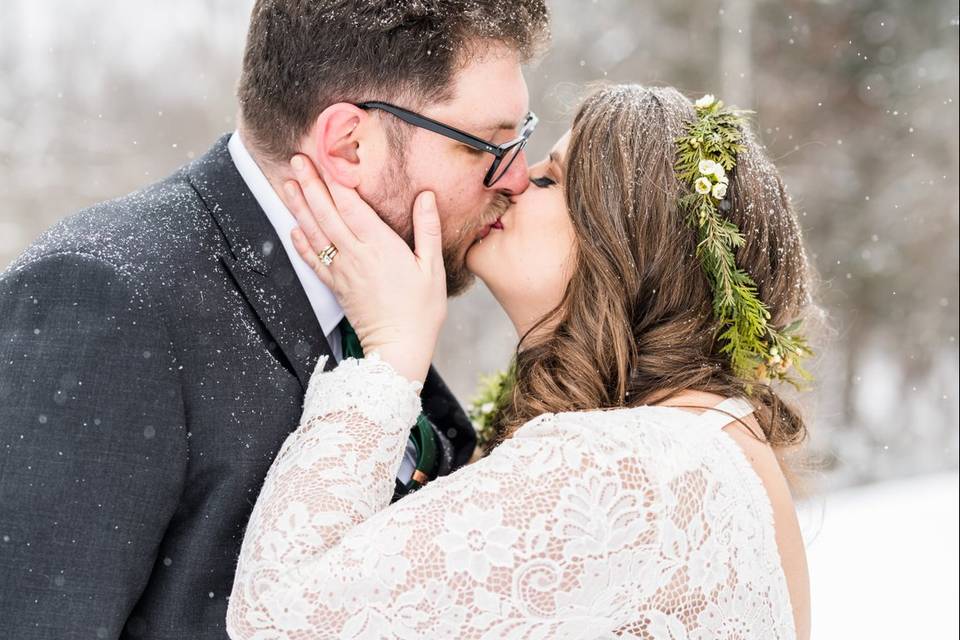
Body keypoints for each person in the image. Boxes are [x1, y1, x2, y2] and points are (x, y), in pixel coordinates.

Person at [0, 2, 550, 638]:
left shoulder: (381, 304)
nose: (515, 177)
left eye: (522, 138)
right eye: (489, 144)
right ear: (349, 145)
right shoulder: (106, 299)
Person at [226, 85, 814, 639]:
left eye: (552, 180)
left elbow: (279, 617)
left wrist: (389, 354)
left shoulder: (634, 466)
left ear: (631, 244)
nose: (513, 179)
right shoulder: (712, 438)